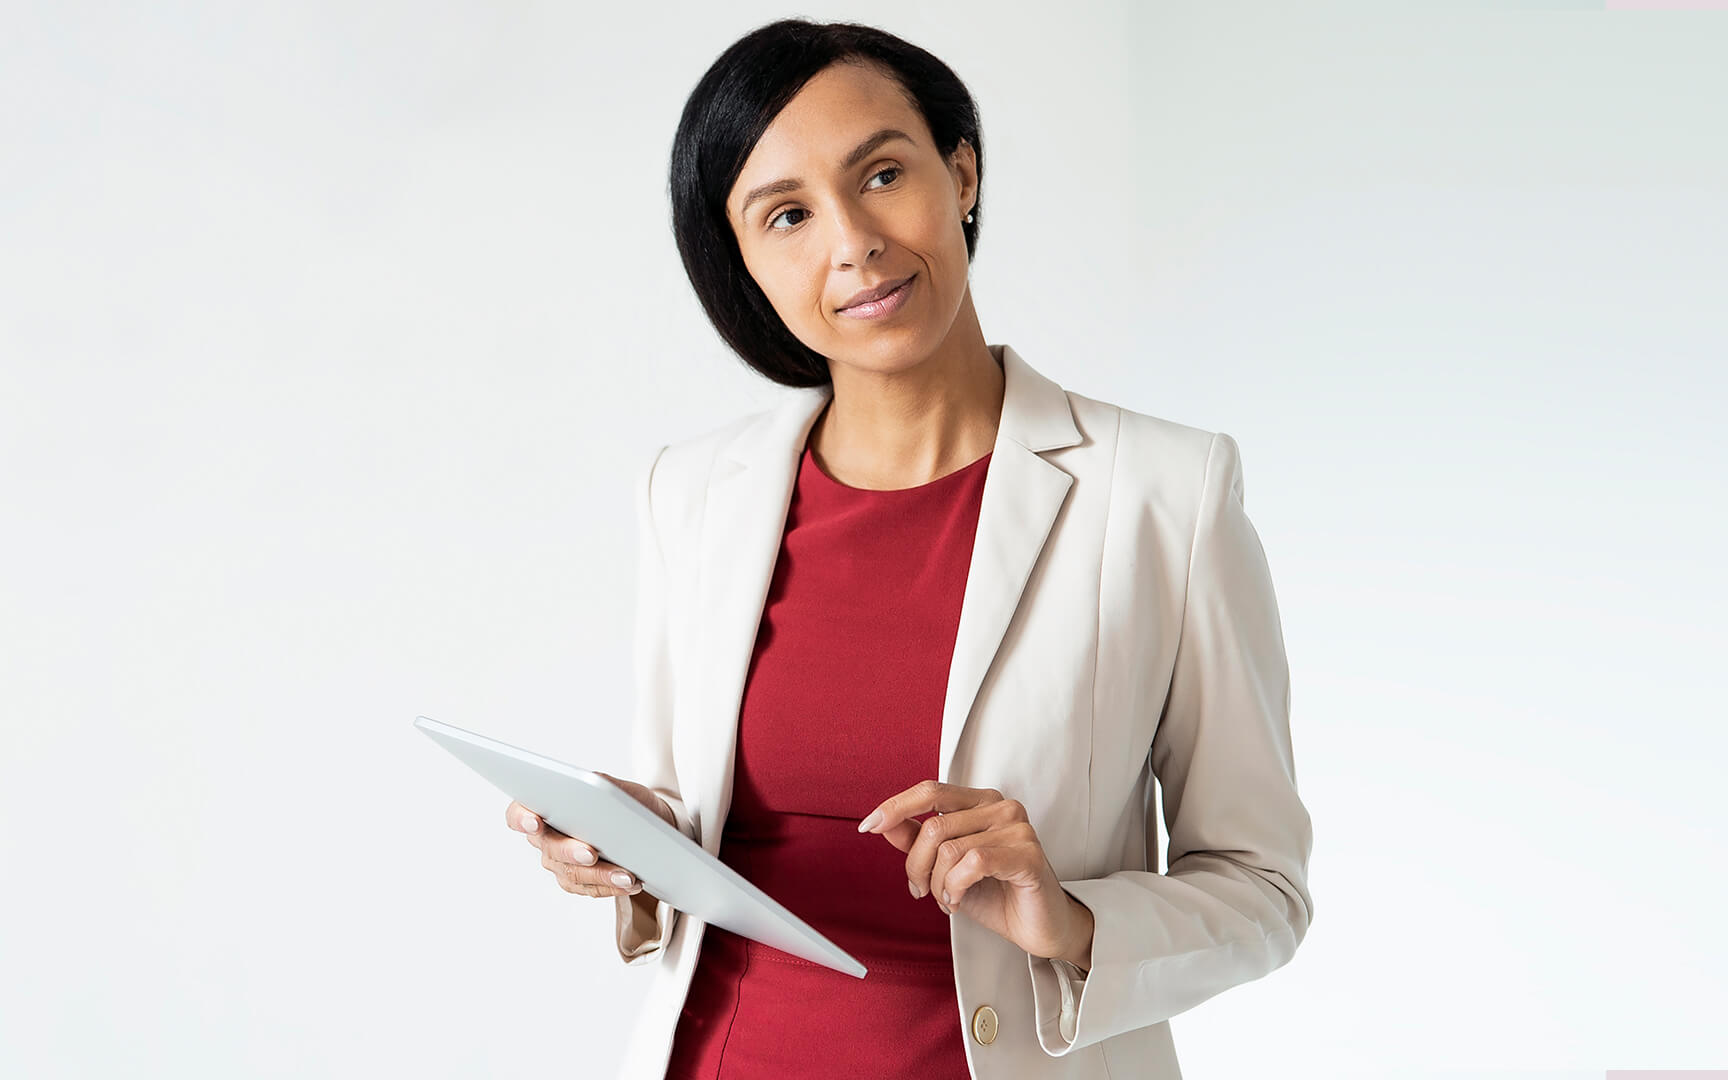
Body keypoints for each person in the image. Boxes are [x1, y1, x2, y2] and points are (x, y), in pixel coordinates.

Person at [504, 17, 1314, 1080]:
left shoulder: (1164, 493)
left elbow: (1263, 891)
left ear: (962, 172)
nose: (852, 242)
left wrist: (1067, 917)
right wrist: (627, 843)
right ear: (743, 260)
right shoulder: (693, 492)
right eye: (786, 215)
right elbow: (695, 819)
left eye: (882, 173)